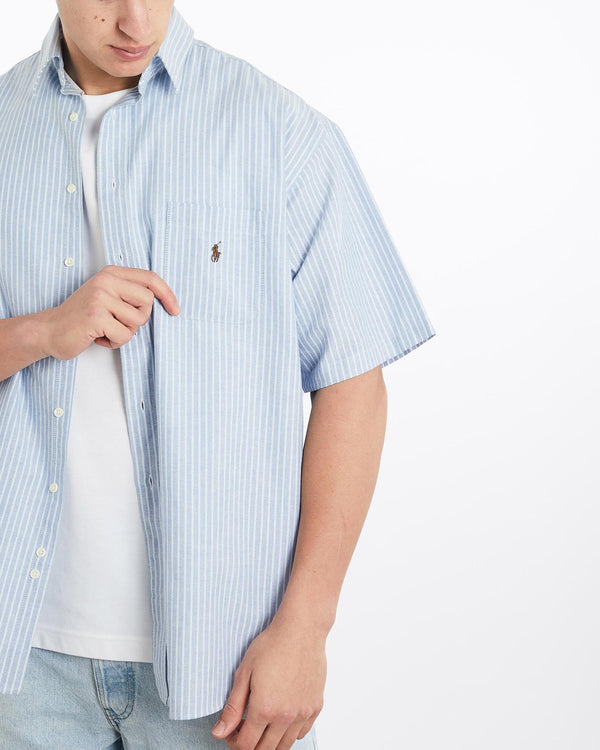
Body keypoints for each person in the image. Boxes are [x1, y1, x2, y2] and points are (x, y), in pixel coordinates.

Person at [0, 1, 436, 748]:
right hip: (23, 662)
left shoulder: (279, 131)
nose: (137, 22)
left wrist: (306, 627)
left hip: (228, 666)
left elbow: (353, 387)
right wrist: (42, 332)